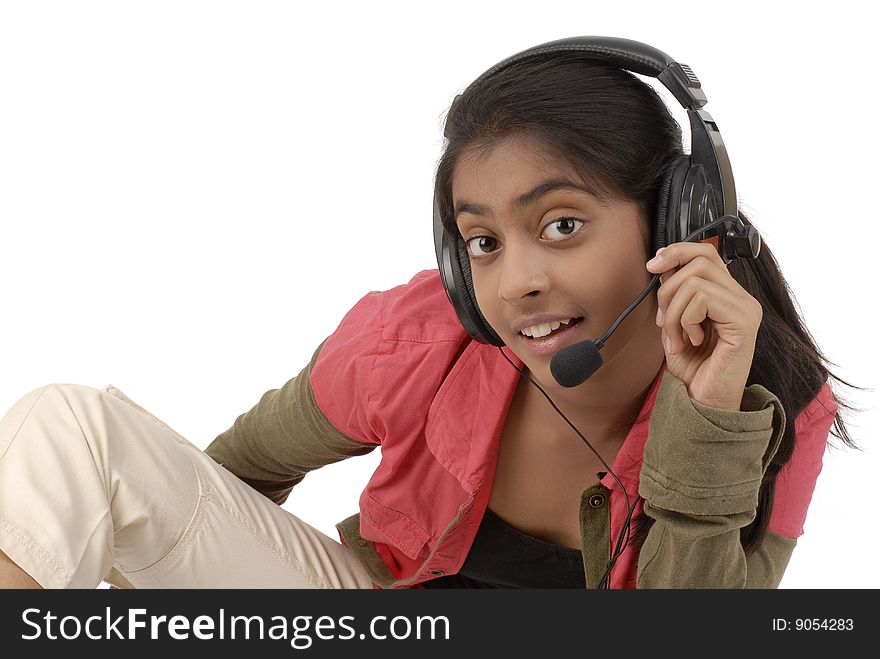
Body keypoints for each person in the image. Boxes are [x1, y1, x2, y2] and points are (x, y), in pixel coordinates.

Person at [0, 37, 859, 590]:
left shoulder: (776, 400)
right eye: (482, 241)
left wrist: (705, 415)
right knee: (74, 427)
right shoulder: (422, 336)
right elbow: (228, 482)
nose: (514, 280)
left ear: (676, 222)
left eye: (562, 224)